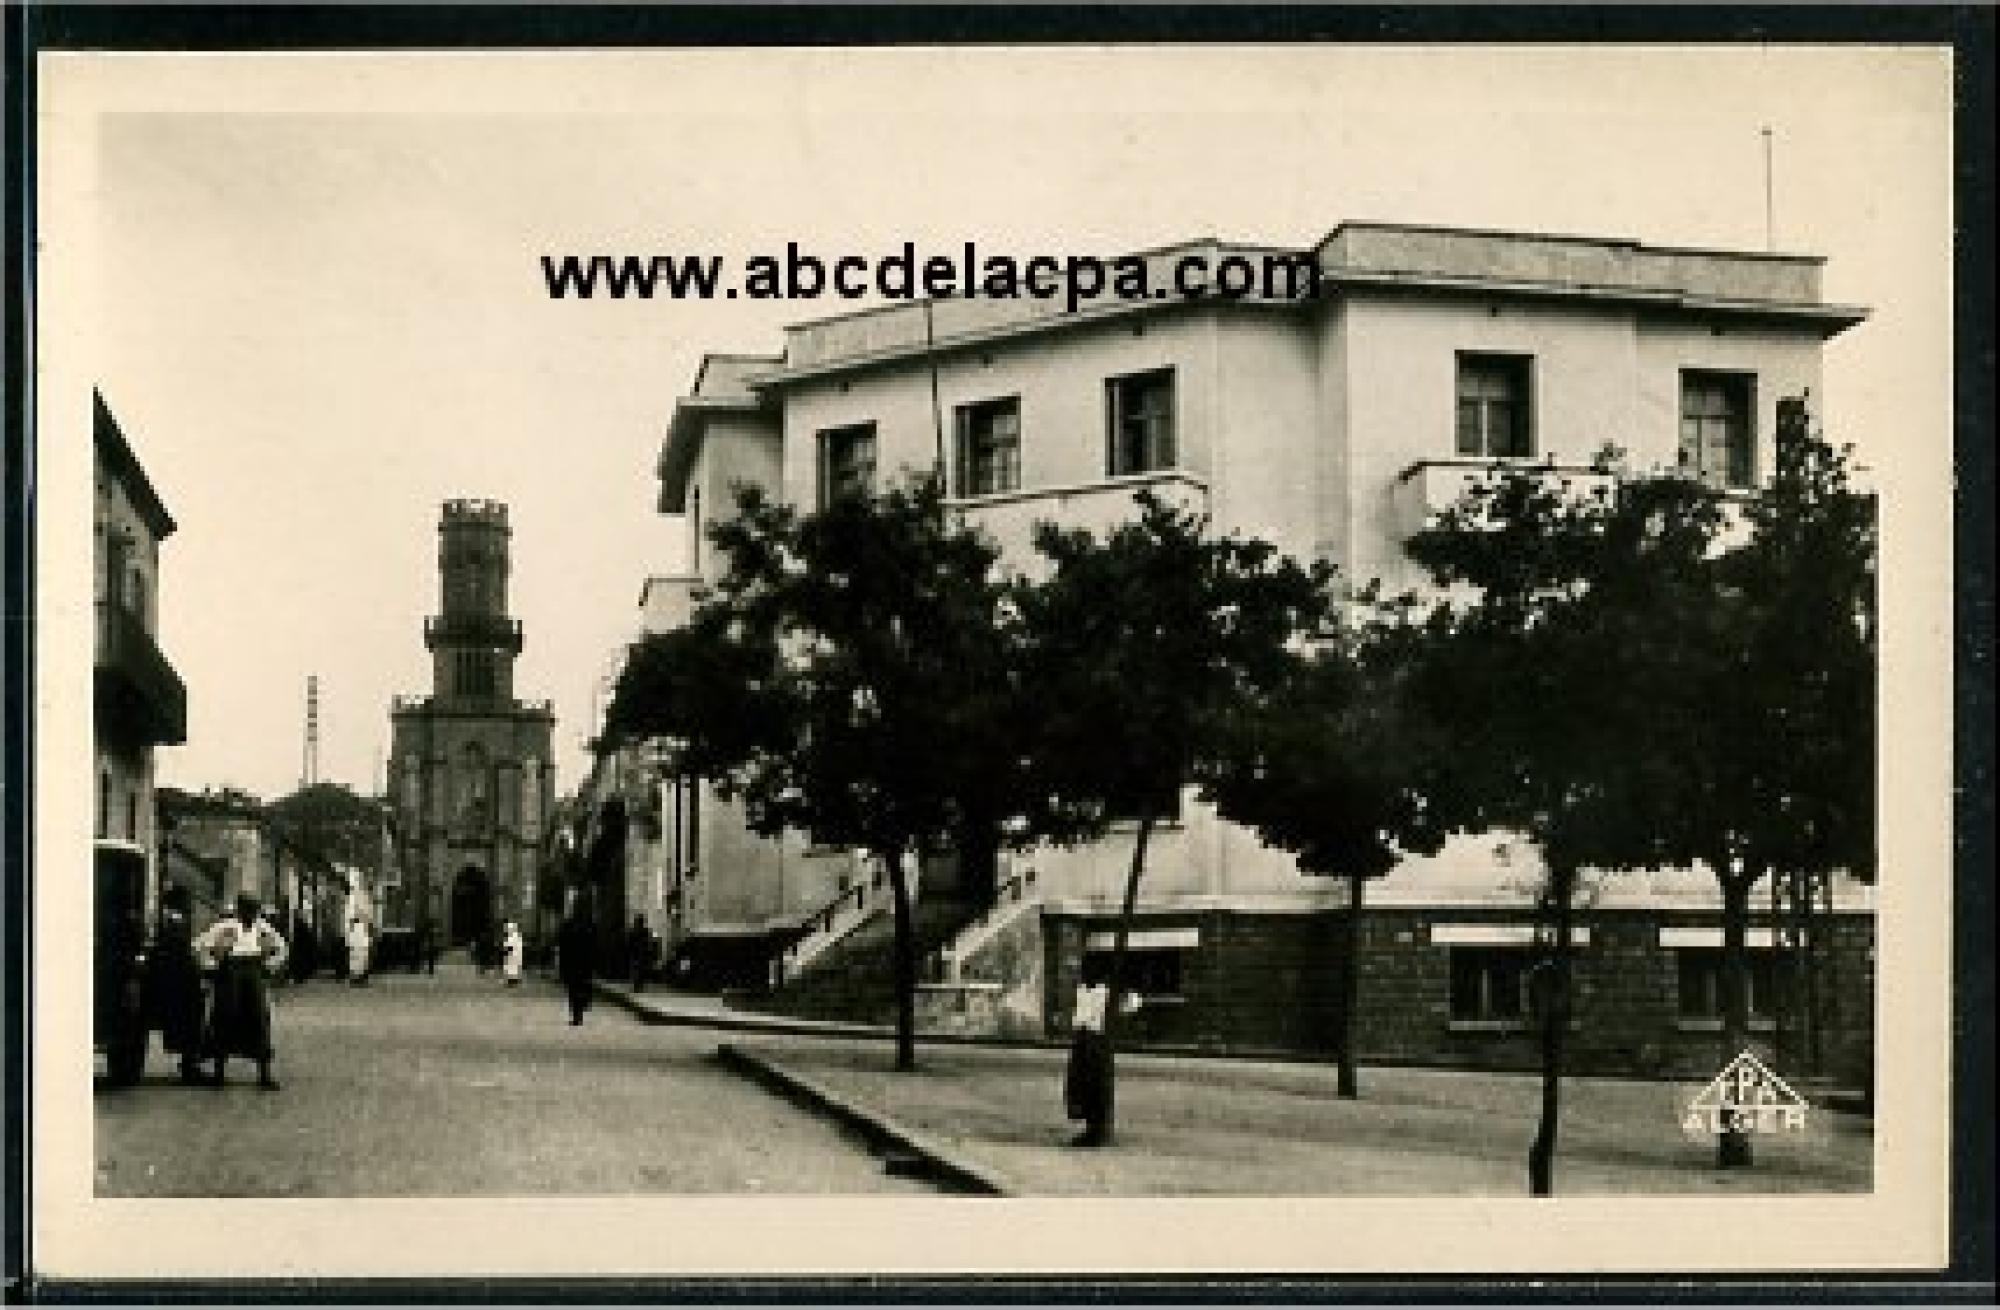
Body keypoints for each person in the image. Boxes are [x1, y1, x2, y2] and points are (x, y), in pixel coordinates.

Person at [196, 894, 288, 1090]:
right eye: (247, 910)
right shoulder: (224, 927)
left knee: (259, 1019)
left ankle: (264, 1075)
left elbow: (281, 947)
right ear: (239, 910)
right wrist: (213, 965)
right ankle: (219, 1073)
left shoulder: (262, 928)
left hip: (254, 972)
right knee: (224, 1017)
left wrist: (269, 965)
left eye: (253, 911)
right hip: (230, 973)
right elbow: (201, 946)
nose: (250, 915)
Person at [1064, 954, 1142, 1147]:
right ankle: (1089, 1124)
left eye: (1089, 971)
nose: (1085, 975)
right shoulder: (1082, 990)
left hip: (1098, 1040)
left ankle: (1098, 1129)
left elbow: (1132, 1003)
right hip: (1082, 1039)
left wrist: (1121, 997)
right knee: (1080, 1084)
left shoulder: (1106, 992)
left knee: (1097, 1083)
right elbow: (1078, 1014)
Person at [145, 884, 207, 1084]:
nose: (190, 906)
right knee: (189, 1020)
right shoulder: (172, 922)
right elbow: (176, 952)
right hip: (177, 980)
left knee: (189, 1020)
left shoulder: (169, 921)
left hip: (178, 977)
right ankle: (189, 1066)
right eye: (187, 902)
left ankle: (190, 1063)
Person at [556, 894, 596, 1026]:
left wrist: (561, 965)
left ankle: (576, 1014)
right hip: (585, 963)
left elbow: (562, 946)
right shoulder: (590, 925)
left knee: (573, 989)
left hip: (572, 963)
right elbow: (595, 946)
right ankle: (581, 1009)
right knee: (582, 986)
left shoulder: (568, 925)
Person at [626, 913, 658, 993]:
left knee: (636, 970)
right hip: (641, 954)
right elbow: (649, 943)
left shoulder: (634, 931)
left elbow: (630, 943)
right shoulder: (645, 931)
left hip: (637, 954)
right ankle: (639, 985)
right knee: (639, 971)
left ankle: (637, 985)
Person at [345, 917, 372, 986]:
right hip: (361, 950)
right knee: (361, 966)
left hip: (355, 950)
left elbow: (349, 941)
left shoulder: (353, 930)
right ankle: (361, 980)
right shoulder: (362, 929)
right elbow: (366, 940)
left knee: (355, 966)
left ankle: (355, 980)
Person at [501, 920, 525, 987]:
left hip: (513, 956)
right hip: (514, 956)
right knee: (514, 968)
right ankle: (514, 980)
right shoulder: (516, 937)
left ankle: (513, 981)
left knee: (512, 968)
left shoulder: (512, 937)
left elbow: (509, 946)